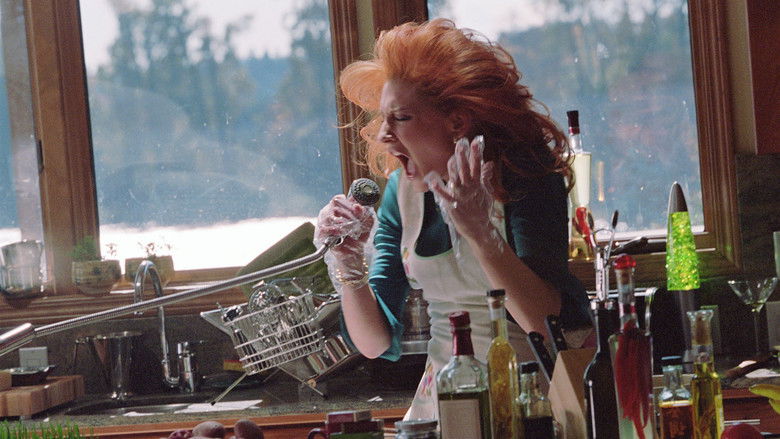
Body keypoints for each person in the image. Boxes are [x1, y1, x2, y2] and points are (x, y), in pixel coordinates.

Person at [314, 18, 591, 419]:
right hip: (443, 403)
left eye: (401, 118)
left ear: (457, 122)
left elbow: (542, 323)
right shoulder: (401, 193)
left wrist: (480, 232)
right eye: (384, 118)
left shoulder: (524, 174)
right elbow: (373, 343)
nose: (383, 134)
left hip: (532, 399)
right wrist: (347, 265)